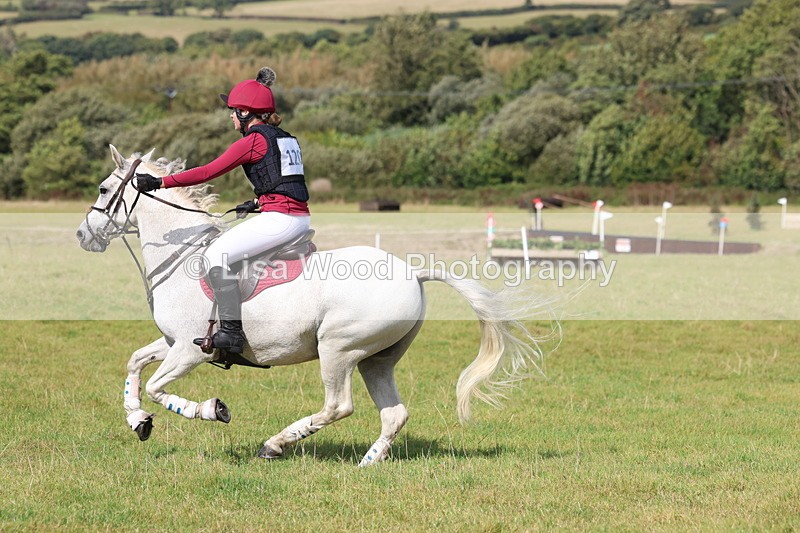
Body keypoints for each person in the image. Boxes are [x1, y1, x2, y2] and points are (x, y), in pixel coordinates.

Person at [135, 67, 311, 355]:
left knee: (215, 256)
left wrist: (160, 182)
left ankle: (230, 333)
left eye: (233, 110)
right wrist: (258, 202)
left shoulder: (254, 140)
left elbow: (207, 171)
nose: (230, 116)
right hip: (297, 218)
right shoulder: (287, 138)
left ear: (245, 113)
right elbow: (287, 183)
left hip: (281, 221)